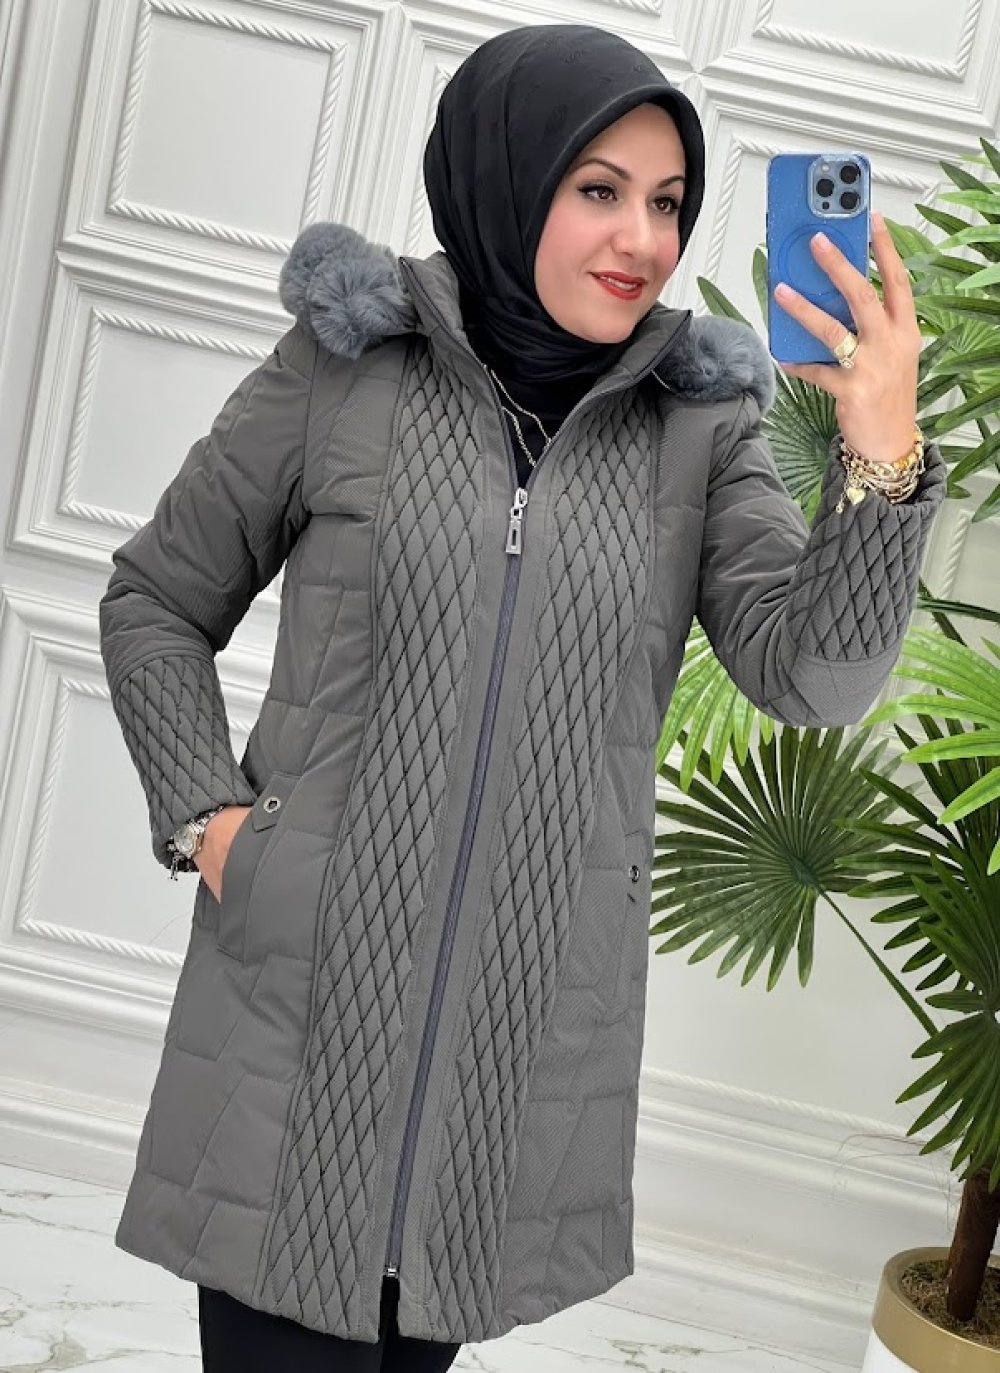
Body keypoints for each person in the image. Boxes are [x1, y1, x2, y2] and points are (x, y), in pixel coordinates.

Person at [98, 22, 945, 1373]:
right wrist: (214, 824)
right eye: (598, 189)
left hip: (512, 1044)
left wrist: (881, 456)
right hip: (297, 1019)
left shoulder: (700, 424)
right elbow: (155, 598)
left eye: (667, 202)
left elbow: (813, 677)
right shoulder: (346, 366)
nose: (643, 240)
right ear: (507, 177)